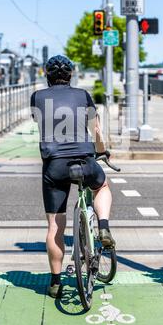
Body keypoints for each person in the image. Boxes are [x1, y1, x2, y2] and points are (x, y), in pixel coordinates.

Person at [30, 55, 115, 299]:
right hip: (84, 160)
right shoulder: (83, 95)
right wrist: (101, 151)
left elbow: (40, 122)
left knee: (55, 227)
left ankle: (56, 283)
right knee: (102, 186)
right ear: (71, 75)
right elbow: (96, 130)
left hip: (54, 166)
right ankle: (104, 227)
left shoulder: (38, 97)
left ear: (47, 75)